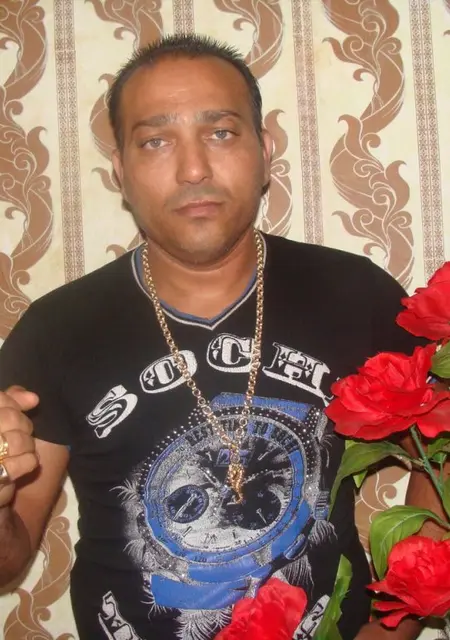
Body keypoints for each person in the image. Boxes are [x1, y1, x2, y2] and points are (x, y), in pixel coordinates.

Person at [0, 34, 443, 640]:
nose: (193, 169)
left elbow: (443, 453)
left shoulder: (355, 294)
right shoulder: (56, 330)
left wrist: (396, 624)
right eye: (156, 141)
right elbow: (10, 562)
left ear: (265, 151)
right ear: (121, 172)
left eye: (221, 132)